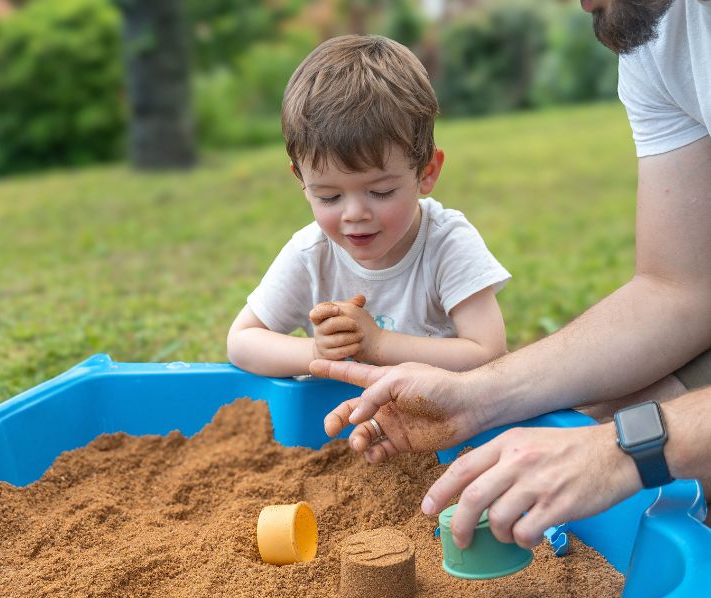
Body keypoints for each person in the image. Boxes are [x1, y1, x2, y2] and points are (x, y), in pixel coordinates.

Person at [310, 0, 711, 551]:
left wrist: (623, 449)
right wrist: (476, 397)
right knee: (576, 420)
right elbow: (681, 290)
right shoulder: (656, 33)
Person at [226, 34, 511, 379]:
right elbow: (241, 342)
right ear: (302, 181)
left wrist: (377, 345)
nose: (354, 214)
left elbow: (489, 353)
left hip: (436, 423)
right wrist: (315, 351)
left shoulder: (446, 242)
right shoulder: (311, 253)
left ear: (427, 173)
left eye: (381, 191)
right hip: (334, 427)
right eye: (329, 197)